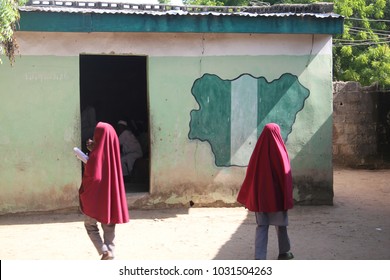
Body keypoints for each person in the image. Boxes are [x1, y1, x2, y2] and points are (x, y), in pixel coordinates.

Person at [237, 123, 294, 260]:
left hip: (261, 199)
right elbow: (286, 176)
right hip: (277, 198)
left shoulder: (257, 152)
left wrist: (251, 195)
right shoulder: (281, 151)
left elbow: (251, 175)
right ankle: (284, 252)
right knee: (281, 226)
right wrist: (286, 196)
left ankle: (260, 257)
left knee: (262, 226)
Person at [79, 122, 129, 260]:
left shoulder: (96, 155)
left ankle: (103, 250)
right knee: (109, 225)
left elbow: (93, 176)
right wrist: (92, 150)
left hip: (95, 199)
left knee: (90, 225)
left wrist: (89, 159)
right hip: (108, 200)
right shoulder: (112, 155)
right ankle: (110, 252)